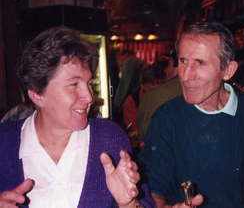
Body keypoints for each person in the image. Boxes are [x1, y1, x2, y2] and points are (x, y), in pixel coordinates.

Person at [139, 21, 244, 207]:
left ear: (228, 70)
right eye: (182, 61)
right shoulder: (166, 118)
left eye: (200, 63)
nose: (186, 75)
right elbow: (154, 186)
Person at [0, 26, 154, 208]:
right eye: (74, 84)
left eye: (88, 83)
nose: (89, 97)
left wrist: (128, 203)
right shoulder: (4, 142)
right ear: (37, 95)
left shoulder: (109, 138)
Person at [137, 53, 182, 142]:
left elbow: (145, 131)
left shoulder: (153, 95)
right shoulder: (200, 89)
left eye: (168, 64)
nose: (166, 70)